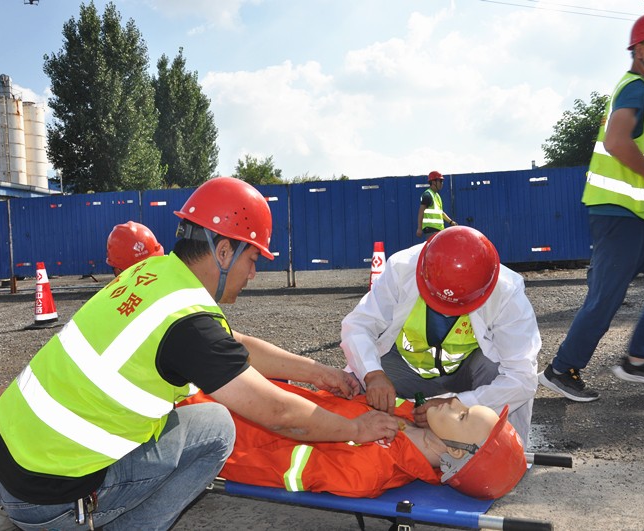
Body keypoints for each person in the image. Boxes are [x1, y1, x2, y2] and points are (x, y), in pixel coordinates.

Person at [0, 177, 398, 531]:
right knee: (216, 427)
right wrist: (357, 429)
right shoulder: (189, 323)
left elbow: (234, 346)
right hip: (43, 497)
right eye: (252, 258)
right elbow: (279, 414)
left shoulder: (155, 274)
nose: (254, 273)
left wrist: (316, 371)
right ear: (222, 251)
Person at [538, 11, 644, 403]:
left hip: (639, 217)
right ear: (639, 50)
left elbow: (633, 165)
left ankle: (638, 359)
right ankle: (561, 370)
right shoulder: (635, 89)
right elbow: (616, 142)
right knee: (605, 298)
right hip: (615, 216)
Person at [341, 226, 540, 448]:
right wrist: (373, 374)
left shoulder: (506, 291)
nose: (446, 311)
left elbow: (522, 377)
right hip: (406, 369)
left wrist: (459, 404)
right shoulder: (402, 268)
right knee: (356, 381)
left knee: (497, 370)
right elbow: (359, 325)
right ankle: (356, 440)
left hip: (466, 376)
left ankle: (502, 449)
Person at [180, 379, 527, 500]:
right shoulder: (407, 418)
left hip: (224, 427)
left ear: (454, 451)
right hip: (241, 399)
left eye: (462, 415)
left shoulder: (371, 471)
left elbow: (278, 463)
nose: (454, 401)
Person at [416, 171, 456, 239]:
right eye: (440, 181)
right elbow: (421, 212)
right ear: (434, 182)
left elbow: (441, 212)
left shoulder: (437, 196)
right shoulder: (427, 195)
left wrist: (451, 222)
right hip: (431, 230)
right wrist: (419, 228)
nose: (442, 183)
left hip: (438, 230)